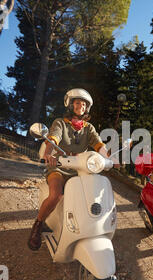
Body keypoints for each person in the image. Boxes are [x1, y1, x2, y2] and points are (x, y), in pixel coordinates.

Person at [28, 88, 112, 251]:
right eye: (77, 102)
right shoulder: (60, 122)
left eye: (83, 104)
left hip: (80, 169)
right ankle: (38, 225)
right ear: (71, 105)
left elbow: (98, 145)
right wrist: (48, 154)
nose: (80, 105)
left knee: (90, 196)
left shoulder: (89, 128)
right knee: (55, 195)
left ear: (87, 108)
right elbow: (54, 138)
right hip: (58, 167)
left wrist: (111, 158)